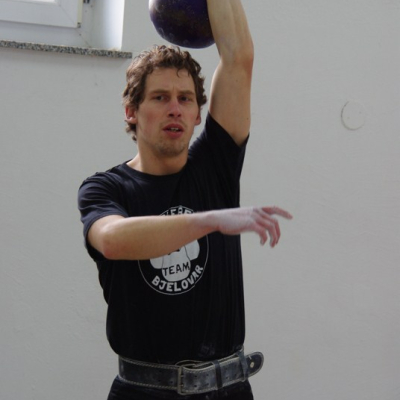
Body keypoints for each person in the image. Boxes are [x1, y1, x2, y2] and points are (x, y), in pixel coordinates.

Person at [78, 1, 292, 399]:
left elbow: (239, 57)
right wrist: (210, 220)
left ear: (197, 115)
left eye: (186, 99)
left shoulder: (215, 165)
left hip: (229, 388)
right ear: (131, 112)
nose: (175, 108)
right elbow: (112, 240)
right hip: (144, 390)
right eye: (160, 98)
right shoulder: (105, 188)